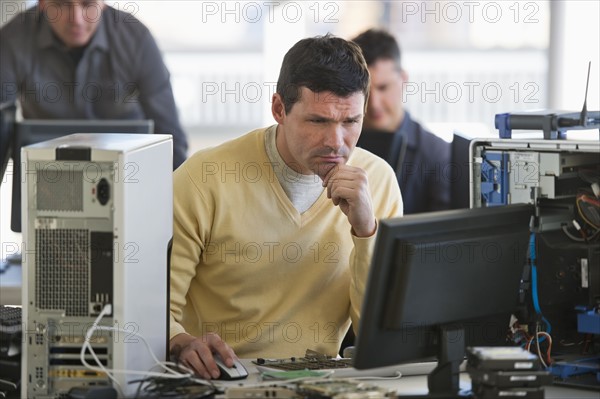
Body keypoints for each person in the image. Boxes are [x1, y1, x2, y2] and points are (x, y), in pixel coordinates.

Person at [169, 34, 403, 380]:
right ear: (279, 109)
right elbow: (151, 310)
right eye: (318, 121)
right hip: (224, 379)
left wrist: (366, 232)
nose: (336, 142)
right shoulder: (204, 178)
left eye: (351, 122)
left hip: (321, 381)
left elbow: (381, 336)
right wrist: (181, 342)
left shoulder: (378, 181)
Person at [0, 0, 187, 169]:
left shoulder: (136, 40)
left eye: (88, 4)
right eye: (61, 4)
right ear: (42, 3)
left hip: (128, 173)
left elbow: (170, 135)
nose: (77, 19)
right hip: (46, 175)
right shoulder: (12, 39)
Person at [352, 29, 452, 214]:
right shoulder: (338, 145)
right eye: (364, 91)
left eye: (383, 87)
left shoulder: (437, 155)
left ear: (403, 80)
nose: (374, 104)